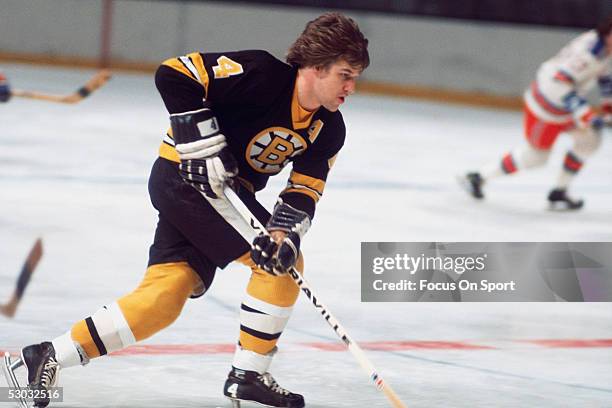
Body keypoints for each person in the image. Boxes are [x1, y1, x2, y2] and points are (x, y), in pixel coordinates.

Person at [8, 12, 369, 408]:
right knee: (284, 266)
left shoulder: (330, 130)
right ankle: (249, 373)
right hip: (182, 179)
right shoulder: (261, 73)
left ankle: (46, 356)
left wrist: (284, 233)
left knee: (165, 296)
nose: (351, 87)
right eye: (345, 75)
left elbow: (303, 191)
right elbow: (175, 73)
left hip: (223, 196)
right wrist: (200, 140)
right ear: (316, 66)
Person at [462, 16, 612, 210]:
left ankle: (560, 191)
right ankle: (478, 177)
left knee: (590, 140)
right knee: (536, 157)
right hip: (546, 108)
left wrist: (607, 111)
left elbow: (605, 79)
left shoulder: (603, 49)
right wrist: (586, 115)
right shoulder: (589, 53)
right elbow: (560, 82)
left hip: (565, 108)